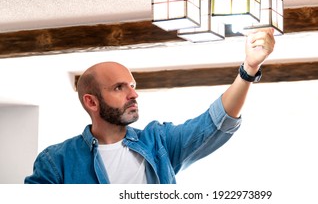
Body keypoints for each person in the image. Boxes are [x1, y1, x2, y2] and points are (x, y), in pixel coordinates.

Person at [24, 28, 275, 184]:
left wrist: (249, 69)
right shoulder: (56, 161)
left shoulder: (158, 143)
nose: (134, 94)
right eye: (119, 87)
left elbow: (215, 123)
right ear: (91, 101)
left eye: (132, 85)